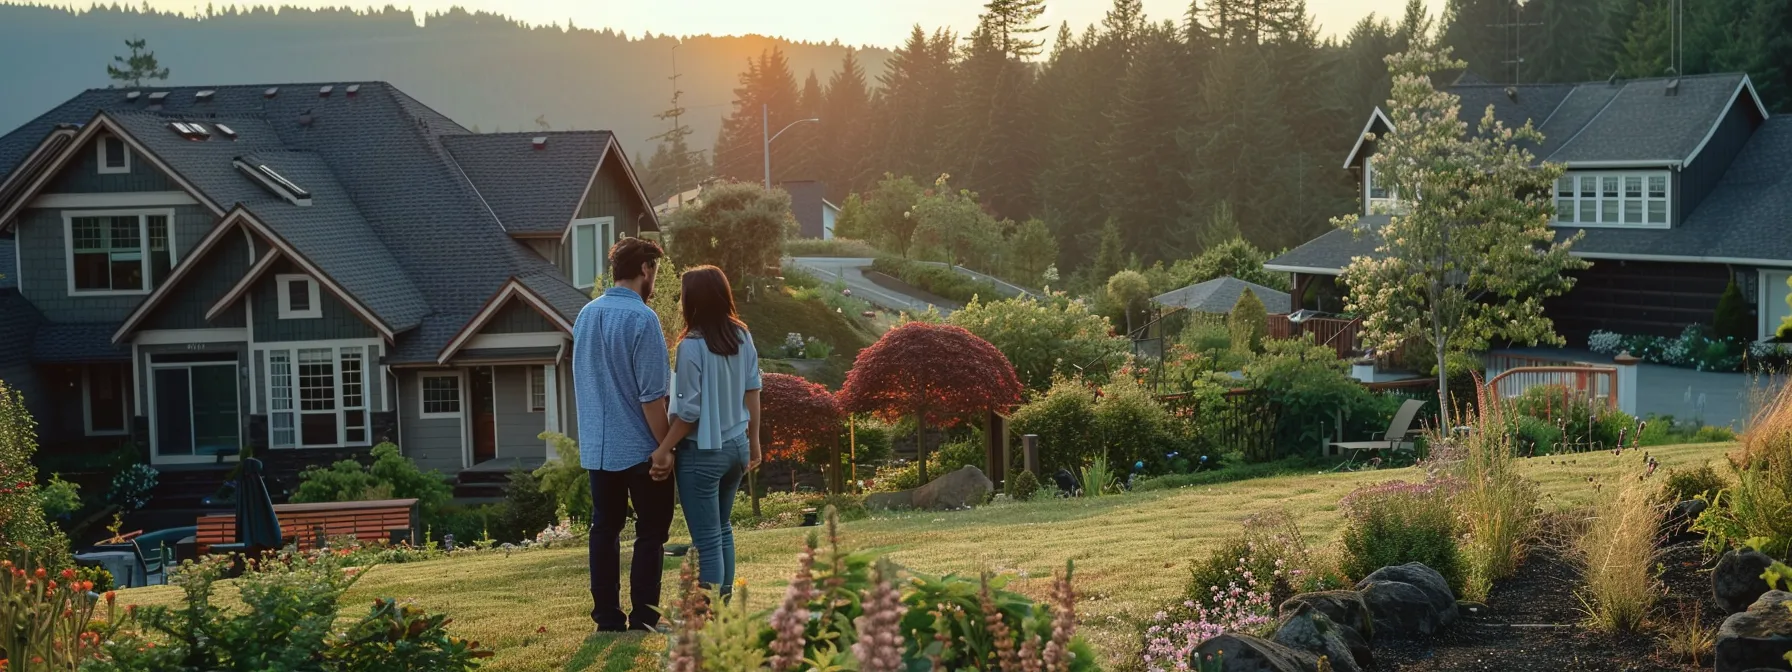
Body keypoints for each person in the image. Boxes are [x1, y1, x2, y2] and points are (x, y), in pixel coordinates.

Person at [571, 237, 674, 633]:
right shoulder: (643, 319)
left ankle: (607, 618)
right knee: (650, 533)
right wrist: (665, 448)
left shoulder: (585, 314)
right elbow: (652, 397)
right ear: (646, 269)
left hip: (597, 444)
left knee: (604, 529)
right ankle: (645, 618)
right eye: (656, 272)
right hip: (640, 447)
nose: (656, 281)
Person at [650, 265, 762, 596]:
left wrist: (663, 449)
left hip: (703, 454)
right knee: (723, 530)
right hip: (736, 447)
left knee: (708, 540)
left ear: (691, 301)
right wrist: (753, 443)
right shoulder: (743, 335)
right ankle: (723, 613)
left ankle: (710, 616)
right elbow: (753, 390)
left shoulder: (691, 347)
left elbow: (688, 413)